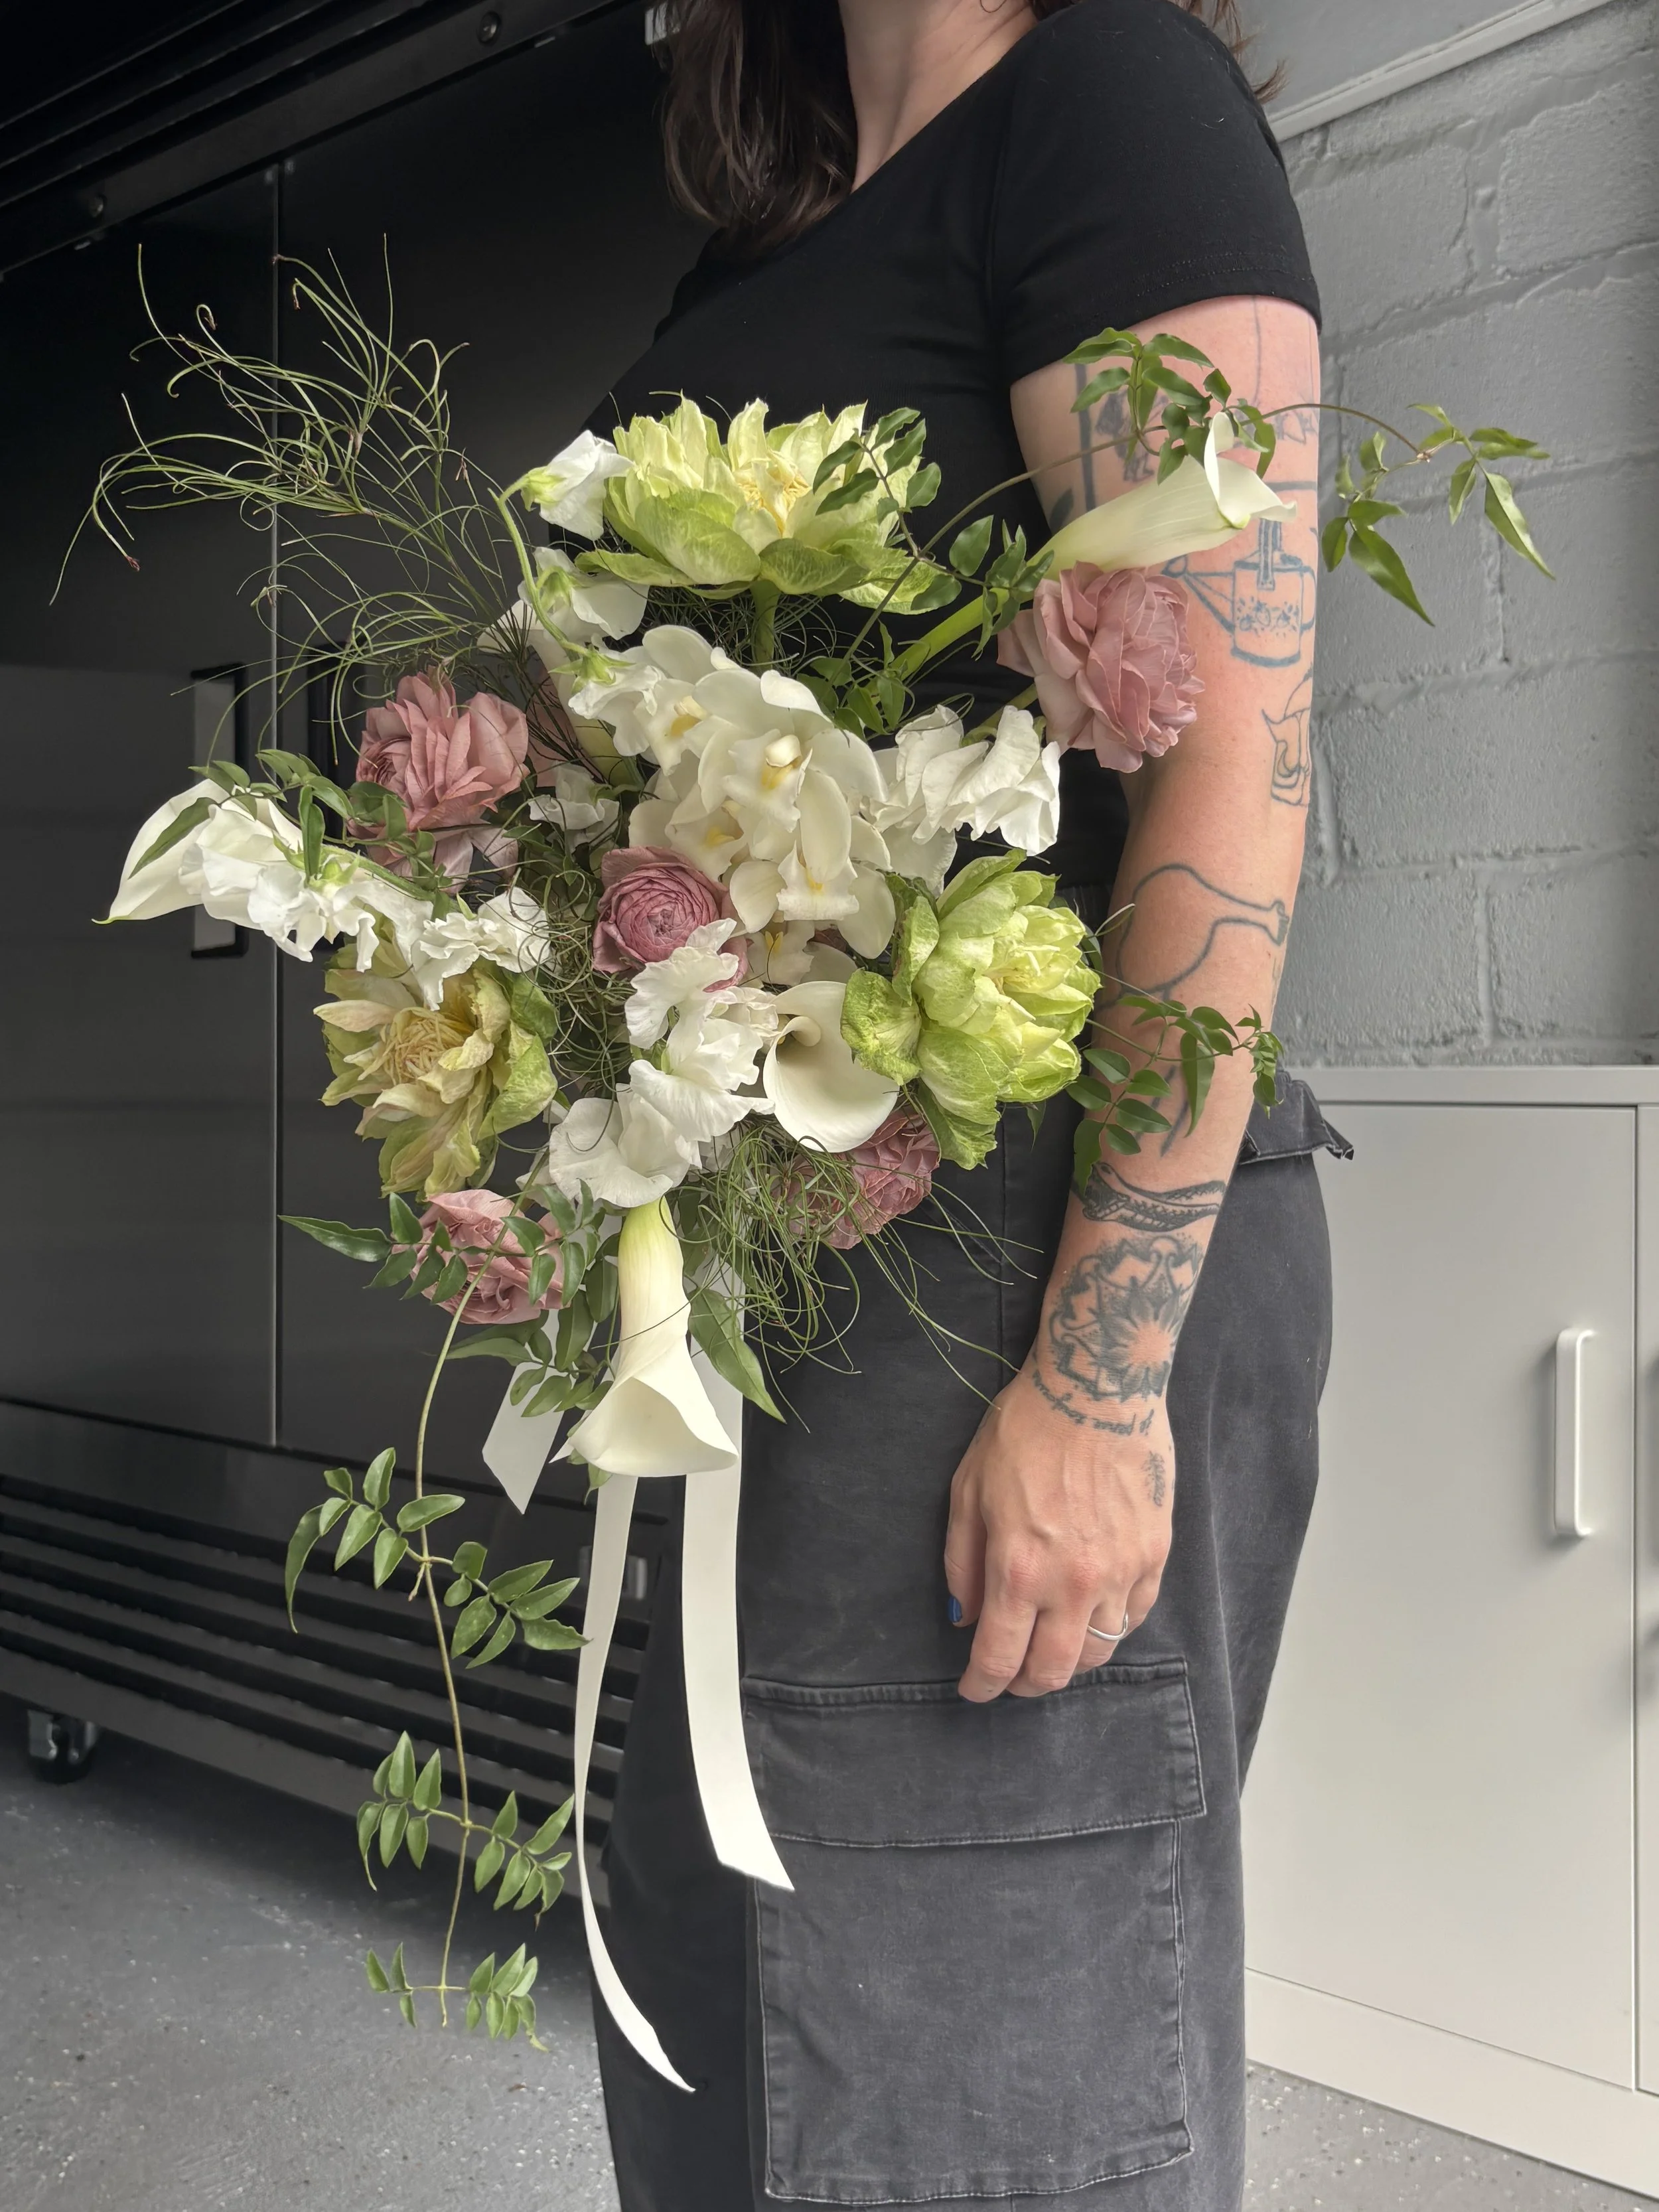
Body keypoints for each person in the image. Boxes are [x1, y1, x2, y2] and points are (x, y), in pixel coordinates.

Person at [586, 3, 1349, 2204]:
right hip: (800, 1276)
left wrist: (1102, 1381)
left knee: (971, 2080)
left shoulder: (1104, 101)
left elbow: (1230, 756)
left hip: (1031, 1250)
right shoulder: (766, 221)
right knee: (749, 2049)